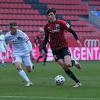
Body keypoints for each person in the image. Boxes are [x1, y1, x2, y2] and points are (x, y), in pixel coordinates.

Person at [43, 8, 82, 87]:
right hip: (54, 49)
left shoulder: (61, 23)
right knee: (63, 66)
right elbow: (46, 38)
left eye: (51, 15)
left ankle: (74, 62)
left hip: (63, 47)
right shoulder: (47, 26)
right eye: (48, 15)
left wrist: (77, 39)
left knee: (68, 64)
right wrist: (44, 48)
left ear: (55, 14)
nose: (50, 16)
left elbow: (72, 31)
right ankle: (77, 82)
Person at [5, 22, 33, 86]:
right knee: (18, 66)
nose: (15, 30)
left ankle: (31, 65)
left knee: (29, 70)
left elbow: (29, 42)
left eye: (16, 28)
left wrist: (31, 52)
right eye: (13, 28)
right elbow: (6, 44)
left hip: (25, 52)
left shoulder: (21, 33)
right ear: (10, 28)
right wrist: (9, 52)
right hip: (16, 53)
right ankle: (28, 81)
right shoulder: (7, 36)